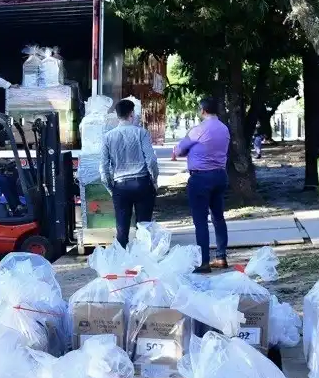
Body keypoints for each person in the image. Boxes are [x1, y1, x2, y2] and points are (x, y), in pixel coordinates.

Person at [172, 96, 231, 272]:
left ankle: (204, 262)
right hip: (220, 175)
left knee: (200, 221)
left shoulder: (198, 130)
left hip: (200, 178)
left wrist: (177, 151)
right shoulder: (224, 129)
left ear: (203, 111)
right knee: (218, 217)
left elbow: (181, 149)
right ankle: (221, 257)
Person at [99, 98, 159, 247]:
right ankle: (144, 262)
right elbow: (151, 160)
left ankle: (123, 263)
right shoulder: (141, 133)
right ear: (131, 114)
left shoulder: (107, 137)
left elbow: (104, 167)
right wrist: (154, 179)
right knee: (144, 227)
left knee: (122, 228)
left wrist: (110, 188)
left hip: (120, 186)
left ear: (117, 115)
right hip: (142, 183)